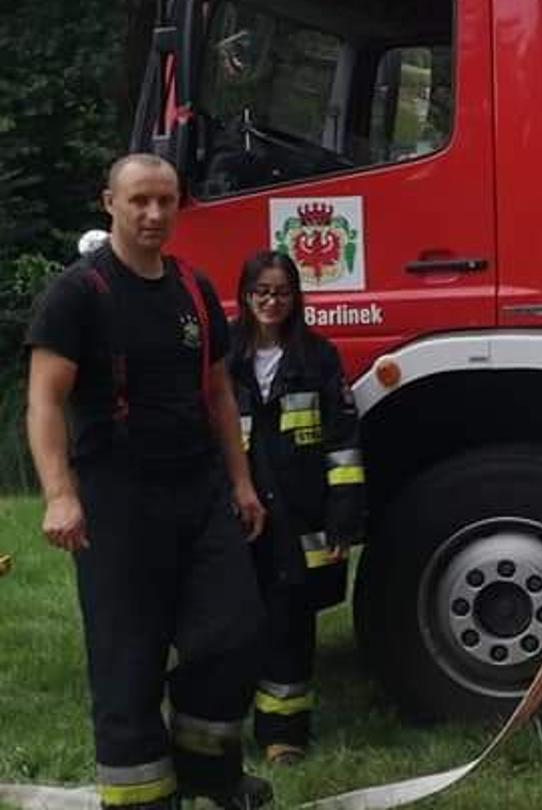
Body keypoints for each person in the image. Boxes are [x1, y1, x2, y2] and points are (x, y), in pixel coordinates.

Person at [27, 153, 271, 809]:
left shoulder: (193, 288)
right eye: (139, 200)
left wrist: (241, 483)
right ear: (110, 202)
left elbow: (220, 394)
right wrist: (59, 494)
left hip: (199, 489)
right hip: (117, 496)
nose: (154, 213)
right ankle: (142, 795)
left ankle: (210, 774)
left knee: (234, 632)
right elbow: (45, 400)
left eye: (166, 200)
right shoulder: (78, 294)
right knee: (127, 657)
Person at [226, 250, 365, 766]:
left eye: (281, 292)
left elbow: (343, 442)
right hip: (235, 515)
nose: (271, 302)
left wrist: (343, 512)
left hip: (299, 515)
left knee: (290, 621)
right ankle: (219, 729)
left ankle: (283, 734)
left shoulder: (318, 358)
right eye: (261, 292)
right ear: (245, 295)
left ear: (296, 298)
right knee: (231, 623)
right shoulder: (225, 361)